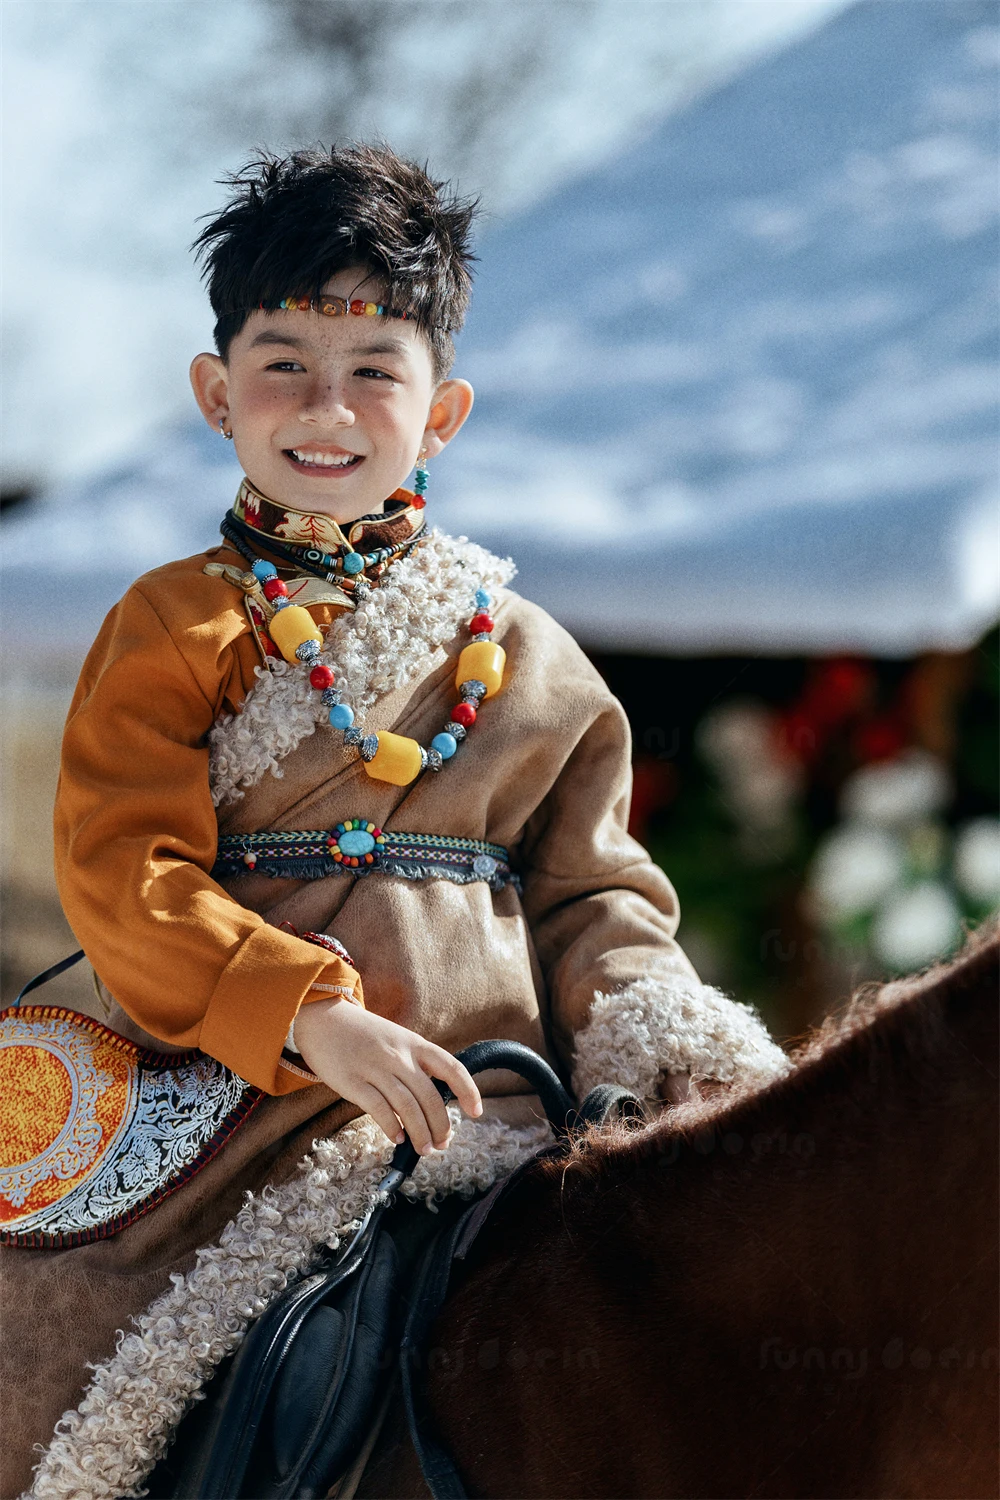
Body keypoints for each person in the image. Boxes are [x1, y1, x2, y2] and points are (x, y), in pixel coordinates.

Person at [1, 143, 789, 1498]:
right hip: (237, 1103)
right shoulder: (169, 625)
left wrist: (671, 1035)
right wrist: (305, 1014)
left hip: (492, 1098)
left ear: (443, 412)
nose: (328, 404)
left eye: (375, 368)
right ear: (215, 392)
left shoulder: (529, 654)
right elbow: (126, 872)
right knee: (54, 1360)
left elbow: (595, 894)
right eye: (284, 361)